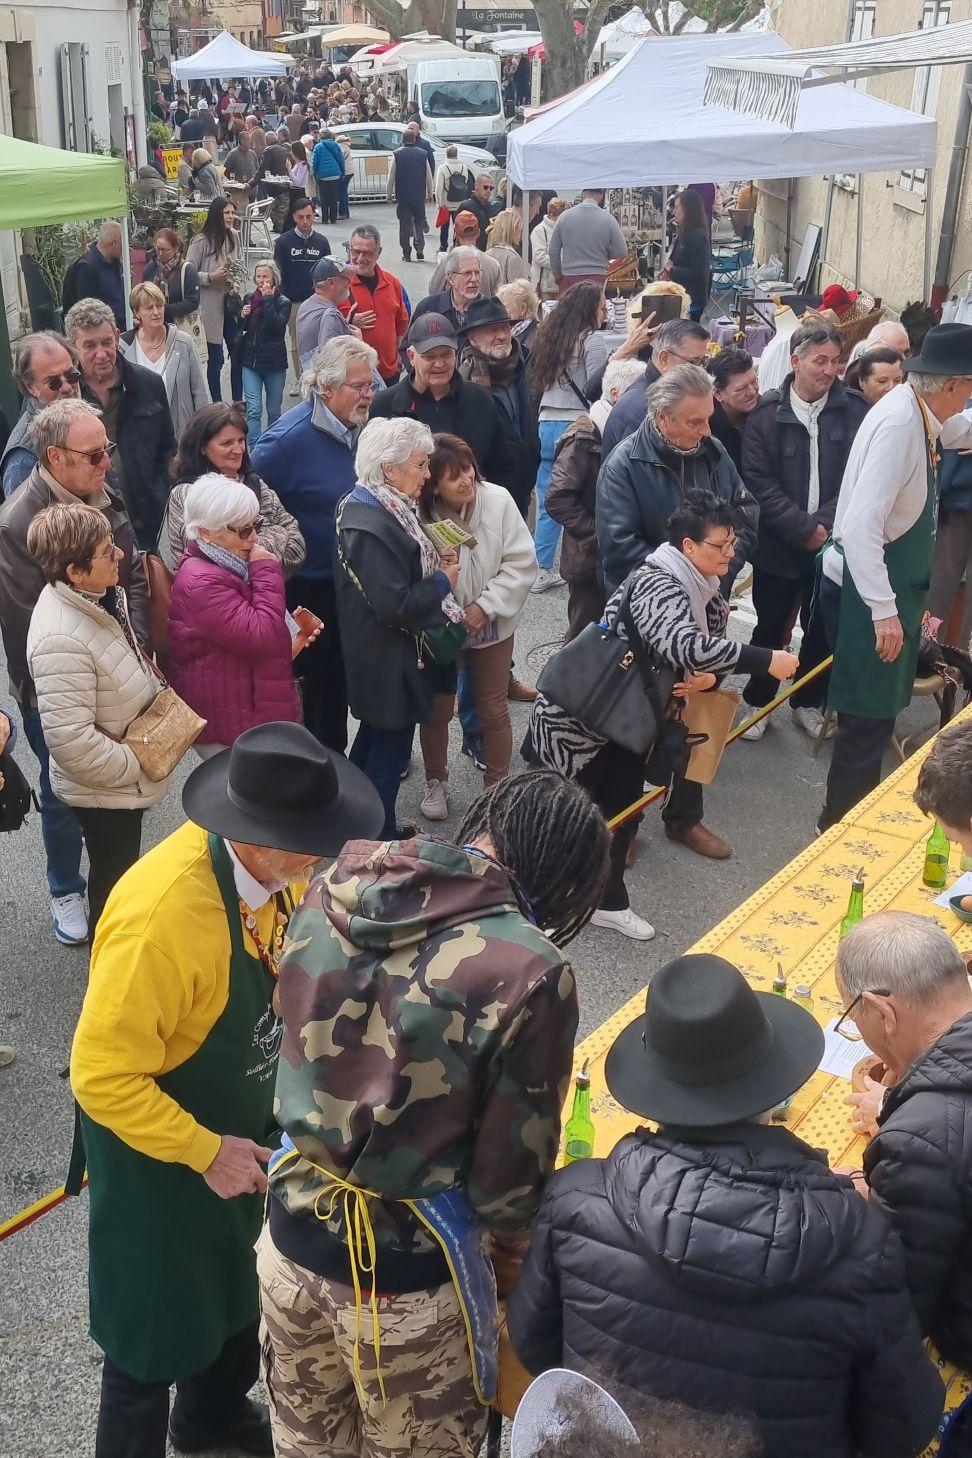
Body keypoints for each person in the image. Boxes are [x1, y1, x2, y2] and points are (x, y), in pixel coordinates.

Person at [260, 770, 609, 1457]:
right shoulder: (530, 967)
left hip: (288, 1243)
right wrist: (517, 1280)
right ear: (562, 878)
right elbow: (507, 1188)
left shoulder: (337, 882)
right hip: (406, 1289)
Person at [70, 722, 382, 1458]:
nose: (319, 859)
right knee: (147, 1338)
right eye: (311, 842)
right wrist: (203, 1151)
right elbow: (102, 1074)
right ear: (261, 838)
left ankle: (207, 1423)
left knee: (237, 1293)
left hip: (239, 1123)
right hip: (157, 1149)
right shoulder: (163, 918)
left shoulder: (274, 875)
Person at [507, 951, 944, 1458]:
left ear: (655, 1081)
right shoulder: (862, 1244)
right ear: (770, 1084)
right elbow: (902, 1428)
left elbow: (536, 1348)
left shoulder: (575, 1197)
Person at [535, 492, 791, 935]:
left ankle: (608, 900)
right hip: (587, 717)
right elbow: (683, 644)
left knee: (624, 808)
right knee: (568, 808)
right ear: (688, 546)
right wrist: (763, 660)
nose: (730, 554)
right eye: (720, 545)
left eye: (733, 543)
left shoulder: (705, 584)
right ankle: (538, 898)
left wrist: (705, 680)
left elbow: (700, 656)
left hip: (634, 716)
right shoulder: (660, 580)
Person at [0, 398, 148, 946]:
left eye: (106, 450)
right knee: (66, 794)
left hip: (111, 661)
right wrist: (134, 760)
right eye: (93, 455)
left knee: (112, 828)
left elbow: (129, 574)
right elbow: (27, 630)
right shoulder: (17, 521)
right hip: (59, 689)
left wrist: (138, 649)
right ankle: (66, 888)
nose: (106, 462)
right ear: (55, 457)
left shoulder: (101, 493)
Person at [596, 368, 758, 861]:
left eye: (708, 419)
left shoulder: (713, 452)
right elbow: (620, 549)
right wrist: (695, 574)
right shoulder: (625, 464)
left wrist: (718, 576)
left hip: (706, 609)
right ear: (661, 418)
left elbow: (744, 515)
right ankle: (621, 823)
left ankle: (685, 817)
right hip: (647, 623)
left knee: (696, 716)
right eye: (694, 422)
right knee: (635, 724)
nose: (706, 431)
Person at [818, 322, 972, 831]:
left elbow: (959, 430)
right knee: (865, 724)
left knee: (878, 716)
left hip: (890, 588)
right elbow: (862, 527)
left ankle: (848, 818)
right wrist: (884, 613)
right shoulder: (900, 426)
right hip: (868, 592)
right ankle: (836, 828)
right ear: (950, 386)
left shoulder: (922, 411)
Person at [836, 910, 972, 1373]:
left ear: (884, 1011)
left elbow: (901, 1296)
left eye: (856, 1019)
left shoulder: (917, 1141)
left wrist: (867, 1204)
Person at [25, 501, 168, 932]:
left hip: (118, 784)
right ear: (75, 570)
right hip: (106, 792)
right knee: (115, 887)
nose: (120, 555)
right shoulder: (59, 639)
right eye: (108, 552)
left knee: (122, 877)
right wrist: (138, 763)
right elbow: (72, 745)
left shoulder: (95, 597)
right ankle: (110, 978)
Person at [333, 414, 466, 835]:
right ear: (389, 469)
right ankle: (379, 839)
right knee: (387, 755)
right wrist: (443, 581)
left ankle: (349, 824)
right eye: (420, 464)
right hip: (388, 662)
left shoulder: (372, 504)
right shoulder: (371, 524)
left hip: (383, 656)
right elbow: (395, 604)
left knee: (373, 741)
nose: (428, 475)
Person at [739, 321, 868, 744]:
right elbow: (759, 481)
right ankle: (759, 702)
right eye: (820, 361)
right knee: (770, 626)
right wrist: (802, 527)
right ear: (795, 362)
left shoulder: (854, 410)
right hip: (778, 544)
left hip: (831, 543)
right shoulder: (764, 414)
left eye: (836, 361)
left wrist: (824, 525)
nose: (830, 370)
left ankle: (807, 702)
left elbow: (855, 475)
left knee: (821, 627)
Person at [252, 337, 378, 754]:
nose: (369, 394)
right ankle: (321, 774)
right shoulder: (283, 442)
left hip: (354, 584)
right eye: (359, 386)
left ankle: (341, 768)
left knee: (344, 682)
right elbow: (252, 509)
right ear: (326, 388)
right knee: (318, 693)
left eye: (371, 384)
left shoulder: (361, 428)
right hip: (310, 590)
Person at [418, 433, 537, 817]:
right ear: (434, 483)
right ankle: (436, 781)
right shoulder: (421, 513)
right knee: (436, 709)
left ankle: (497, 787)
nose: (467, 480)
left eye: (468, 469)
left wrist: (485, 606)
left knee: (493, 709)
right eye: (454, 477)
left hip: (492, 625)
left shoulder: (499, 501)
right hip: (442, 625)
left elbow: (521, 563)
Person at [168, 474, 300, 755]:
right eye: (242, 531)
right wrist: (265, 570)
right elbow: (262, 635)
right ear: (206, 532)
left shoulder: (226, 563)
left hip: (247, 707)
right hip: (232, 721)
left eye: (256, 525)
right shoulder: (202, 582)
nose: (253, 537)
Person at [546, 356, 646, 640]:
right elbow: (557, 498)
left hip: (609, 554)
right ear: (615, 394)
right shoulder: (585, 435)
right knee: (583, 639)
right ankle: (560, 685)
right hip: (587, 561)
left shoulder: (620, 431)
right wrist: (599, 533)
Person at [65, 297, 177, 552]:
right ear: (73, 347)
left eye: (106, 342)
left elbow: (167, 449)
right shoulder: (67, 397)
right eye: (89, 345)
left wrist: (159, 492)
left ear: (117, 336)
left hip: (148, 523)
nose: (101, 354)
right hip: (93, 533)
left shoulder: (148, 384)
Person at [370, 312, 516, 499]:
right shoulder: (384, 406)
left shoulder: (480, 400)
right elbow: (373, 474)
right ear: (411, 356)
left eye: (446, 355)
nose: (439, 364)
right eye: (430, 357)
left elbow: (504, 465)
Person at [160, 403, 304, 579]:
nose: (238, 450)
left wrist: (249, 547)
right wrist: (276, 536)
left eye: (241, 440)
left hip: (267, 595)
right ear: (202, 448)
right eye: (227, 443)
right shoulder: (186, 495)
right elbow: (213, 563)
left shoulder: (254, 484)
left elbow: (297, 545)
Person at [529, 282, 608, 592]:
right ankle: (577, 562)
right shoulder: (592, 340)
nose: (605, 313)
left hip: (546, 420)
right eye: (602, 307)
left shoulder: (551, 339)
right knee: (580, 500)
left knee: (548, 495)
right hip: (575, 426)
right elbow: (595, 389)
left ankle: (541, 566)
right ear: (590, 310)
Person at [457, 296, 539, 519]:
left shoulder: (524, 367)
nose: (502, 336)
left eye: (505, 328)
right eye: (492, 330)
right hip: (485, 494)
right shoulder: (462, 381)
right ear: (473, 338)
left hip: (523, 488)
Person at [599, 318, 711, 460]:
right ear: (664, 358)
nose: (700, 370)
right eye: (693, 362)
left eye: (704, 361)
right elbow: (643, 474)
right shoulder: (644, 408)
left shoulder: (657, 394)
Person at [119, 282, 210, 441]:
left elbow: (200, 392)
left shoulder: (184, 342)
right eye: (149, 308)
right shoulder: (123, 348)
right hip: (141, 440)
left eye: (159, 306)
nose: (156, 312)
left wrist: (204, 435)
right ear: (136, 312)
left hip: (181, 438)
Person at [2, 331, 81, 499]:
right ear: (31, 387)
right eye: (53, 383)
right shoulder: (23, 459)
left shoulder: (80, 416)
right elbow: (20, 524)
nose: (67, 387)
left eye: (72, 375)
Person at [187, 196, 243, 405]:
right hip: (210, 308)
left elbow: (238, 264)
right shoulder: (201, 241)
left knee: (238, 351)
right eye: (226, 213)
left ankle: (237, 401)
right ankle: (217, 403)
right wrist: (210, 277)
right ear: (217, 215)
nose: (231, 217)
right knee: (216, 358)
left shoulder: (234, 236)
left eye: (232, 212)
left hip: (230, 303)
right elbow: (188, 272)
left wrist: (236, 283)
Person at [273, 195, 331, 388]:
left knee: (321, 340)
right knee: (298, 343)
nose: (305, 221)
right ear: (294, 217)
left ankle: (320, 378)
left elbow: (329, 271)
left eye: (309, 216)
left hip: (318, 300)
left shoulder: (322, 242)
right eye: (301, 217)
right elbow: (277, 272)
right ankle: (301, 380)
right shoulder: (283, 242)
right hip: (293, 301)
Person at [343, 224, 409, 386]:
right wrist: (347, 322)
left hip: (389, 373)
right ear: (349, 250)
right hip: (354, 376)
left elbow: (401, 325)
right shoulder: (339, 284)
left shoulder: (392, 283)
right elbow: (324, 330)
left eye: (367, 253)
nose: (360, 258)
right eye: (356, 252)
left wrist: (399, 356)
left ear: (378, 253)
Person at [237, 262, 291, 444]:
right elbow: (244, 329)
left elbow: (277, 326)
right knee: (253, 409)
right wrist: (242, 316)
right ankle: (255, 447)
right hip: (251, 362)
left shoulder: (284, 302)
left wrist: (268, 300)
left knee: (274, 411)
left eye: (265, 276)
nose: (261, 281)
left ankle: (271, 446)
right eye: (258, 276)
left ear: (274, 278)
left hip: (274, 364)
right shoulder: (249, 298)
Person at [548, 191, 626, 294]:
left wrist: (558, 276)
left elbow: (553, 250)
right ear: (601, 196)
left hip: (570, 277)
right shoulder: (608, 219)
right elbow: (621, 250)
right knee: (594, 309)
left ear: (582, 194)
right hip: (597, 277)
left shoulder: (564, 217)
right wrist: (605, 254)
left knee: (569, 309)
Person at [295, 256, 358, 370]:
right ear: (331, 283)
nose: (349, 283)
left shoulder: (306, 305)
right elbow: (333, 364)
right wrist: (357, 342)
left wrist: (344, 325)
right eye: (345, 278)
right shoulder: (332, 315)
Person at [658, 189, 710, 322]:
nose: (674, 212)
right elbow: (675, 260)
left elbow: (699, 272)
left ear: (688, 209)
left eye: (677, 208)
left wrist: (672, 270)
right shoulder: (684, 233)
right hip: (681, 297)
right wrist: (667, 270)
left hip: (692, 300)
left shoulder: (697, 236)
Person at [61, 221, 126, 329]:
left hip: (120, 331)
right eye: (122, 242)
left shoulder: (115, 263)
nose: (124, 247)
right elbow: (87, 311)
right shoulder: (86, 268)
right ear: (113, 243)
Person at [705, 346, 758, 475]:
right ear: (718, 394)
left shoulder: (766, 412)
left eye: (754, 381)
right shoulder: (706, 428)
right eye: (741, 389)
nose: (752, 392)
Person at [414, 246, 490, 333]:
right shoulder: (429, 308)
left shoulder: (491, 310)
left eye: (477, 273)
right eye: (467, 273)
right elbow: (409, 344)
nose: (474, 279)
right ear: (450, 278)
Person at [386, 128, 434, 263]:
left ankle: (406, 252)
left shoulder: (397, 154)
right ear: (414, 140)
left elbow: (391, 176)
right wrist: (430, 193)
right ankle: (419, 249)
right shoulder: (423, 154)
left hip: (403, 195)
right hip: (418, 195)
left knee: (404, 224)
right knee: (419, 221)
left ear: (402, 140)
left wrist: (389, 194)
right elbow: (428, 176)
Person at [428, 212, 503, 296]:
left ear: (456, 234)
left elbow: (434, 290)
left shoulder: (448, 262)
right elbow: (499, 297)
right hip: (485, 308)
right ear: (478, 233)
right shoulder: (493, 264)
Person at [143, 229, 202, 332]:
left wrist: (164, 309)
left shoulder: (187, 270)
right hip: (153, 328)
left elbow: (193, 301)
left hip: (179, 328)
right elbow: (142, 294)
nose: (160, 253)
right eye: (157, 249)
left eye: (164, 250)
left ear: (175, 249)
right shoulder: (151, 268)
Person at [434, 144, 473, 252]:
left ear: (446, 155)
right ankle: (458, 244)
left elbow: (438, 188)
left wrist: (439, 203)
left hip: (447, 203)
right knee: (459, 226)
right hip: (460, 202)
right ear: (457, 155)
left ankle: (443, 246)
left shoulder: (443, 168)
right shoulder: (464, 167)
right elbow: (466, 184)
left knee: (444, 226)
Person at [531, 197, 569, 298]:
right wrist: (562, 263)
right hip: (546, 288)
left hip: (563, 284)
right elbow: (538, 257)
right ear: (553, 215)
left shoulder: (566, 229)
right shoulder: (540, 230)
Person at [497, 277, 541, 354]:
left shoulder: (534, 336)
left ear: (523, 308)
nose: (500, 311)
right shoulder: (513, 330)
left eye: (505, 306)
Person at [486, 209, 529, 286]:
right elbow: (518, 291)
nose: (522, 236)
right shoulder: (513, 258)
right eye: (520, 230)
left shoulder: (487, 253)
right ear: (512, 230)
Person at [311, 127, 345, 224]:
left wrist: (315, 174)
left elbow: (314, 163)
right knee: (334, 197)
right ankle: (333, 218)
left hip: (323, 175)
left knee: (324, 198)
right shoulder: (335, 145)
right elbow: (340, 160)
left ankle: (325, 218)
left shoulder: (318, 147)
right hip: (335, 174)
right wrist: (342, 172)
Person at [465, 173, 499, 250]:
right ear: (476, 186)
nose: (488, 191)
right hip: (471, 251)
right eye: (485, 187)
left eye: (491, 188)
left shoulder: (491, 207)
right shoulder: (467, 206)